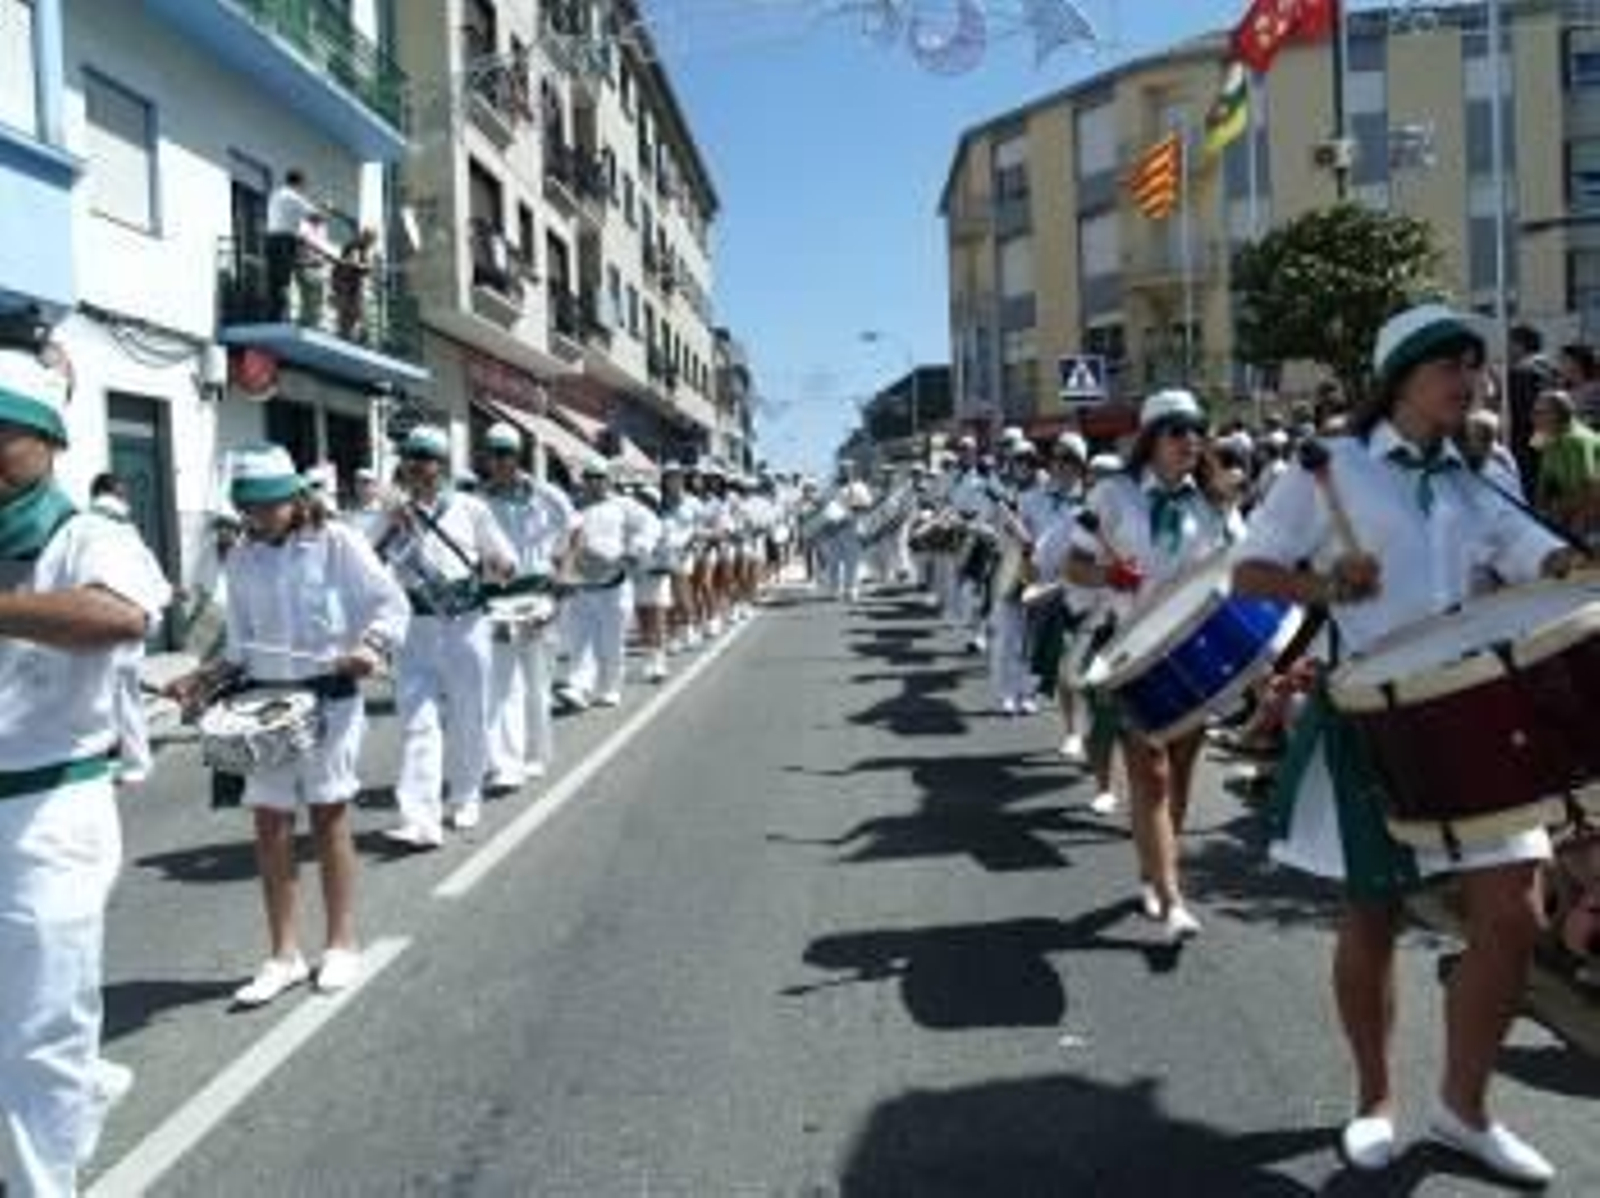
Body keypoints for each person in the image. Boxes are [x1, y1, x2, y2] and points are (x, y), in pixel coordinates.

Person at [1233, 304, 1578, 1185]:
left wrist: (1564, 565)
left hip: (1478, 711)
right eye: (1446, 367)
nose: (1467, 381)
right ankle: (1375, 1100)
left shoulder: (1474, 476)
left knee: (1514, 915)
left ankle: (1463, 1111)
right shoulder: (1330, 472)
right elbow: (1249, 572)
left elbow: (1530, 551)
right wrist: (1322, 580)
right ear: (1399, 381)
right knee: (1373, 918)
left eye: (1473, 366)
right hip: (1372, 719)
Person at [0, 341, 171, 1193]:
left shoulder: (87, 534)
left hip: (50, 813)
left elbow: (120, 616)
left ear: (45, 441)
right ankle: (87, 1091)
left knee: (41, 1027)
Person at [171, 445, 407, 1007]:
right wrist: (203, 678)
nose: (259, 516)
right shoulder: (244, 557)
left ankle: (342, 942)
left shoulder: (337, 543)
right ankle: (283, 954)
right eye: (249, 507)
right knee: (269, 826)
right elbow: (240, 644)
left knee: (328, 816)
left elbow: (388, 602)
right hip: (264, 703)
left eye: (269, 504)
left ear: (294, 497)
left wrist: (369, 649)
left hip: (329, 699)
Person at [1067, 390, 1230, 943]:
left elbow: (1240, 568)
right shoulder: (1112, 494)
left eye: (1197, 430)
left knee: (1179, 777)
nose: (1191, 441)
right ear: (1151, 440)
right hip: (1134, 649)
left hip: (1196, 652)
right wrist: (1111, 577)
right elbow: (1073, 562)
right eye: (1177, 431)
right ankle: (1172, 897)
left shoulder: (1213, 502)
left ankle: (1155, 871)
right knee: (1151, 774)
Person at [375, 425, 514, 848]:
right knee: (418, 720)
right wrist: (390, 525)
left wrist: (498, 564)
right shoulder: (389, 513)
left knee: (469, 714)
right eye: (411, 457)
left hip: (466, 622)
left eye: (425, 457)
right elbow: (368, 564)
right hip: (417, 627)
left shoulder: (470, 508)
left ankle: (466, 794)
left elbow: (503, 557)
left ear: (442, 464)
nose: (416, 465)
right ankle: (420, 818)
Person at [479, 422, 578, 792]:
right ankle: (507, 762)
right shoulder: (479, 499)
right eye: (492, 453)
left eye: (504, 453)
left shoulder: (545, 494)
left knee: (536, 679)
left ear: (517, 456)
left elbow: (574, 527)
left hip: (537, 593)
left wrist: (565, 568)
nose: (498, 461)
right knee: (502, 682)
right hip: (498, 598)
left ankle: (537, 752)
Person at [562, 458, 657, 708]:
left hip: (614, 584)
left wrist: (637, 549)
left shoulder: (623, 505)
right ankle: (578, 687)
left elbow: (651, 525)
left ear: (608, 480)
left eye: (599, 477)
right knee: (579, 641)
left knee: (611, 643)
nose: (594, 482)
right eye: (589, 477)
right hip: (581, 584)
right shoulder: (575, 507)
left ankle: (610, 686)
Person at [1530, 388, 1600, 546]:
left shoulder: (1577, 440)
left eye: (1540, 412)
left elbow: (1591, 493)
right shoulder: (1545, 437)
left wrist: (1558, 512)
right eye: (1534, 411)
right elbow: (1542, 490)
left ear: (1558, 415)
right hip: (1577, 509)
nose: (1533, 417)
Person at [265, 168, 323, 323]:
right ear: (299, 183)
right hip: (285, 240)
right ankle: (282, 316)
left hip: (271, 239)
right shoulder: (294, 197)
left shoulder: (276, 194)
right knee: (284, 281)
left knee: (274, 281)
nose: (304, 188)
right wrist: (327, 208)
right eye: (304, 185)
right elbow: (317, 218)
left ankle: (274, 316)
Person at [333, 227, 378, 342]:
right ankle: (344, 334)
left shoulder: (365, 249)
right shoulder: (354, 247)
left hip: (354, 285)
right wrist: (363, 267)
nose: (370, 243)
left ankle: (352, 334)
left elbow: (365, 266)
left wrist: (365, 267)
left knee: (356, 312)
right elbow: (350, 264)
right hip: (347, 283)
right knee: (347, 311)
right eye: (369, 239)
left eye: (371, 240)